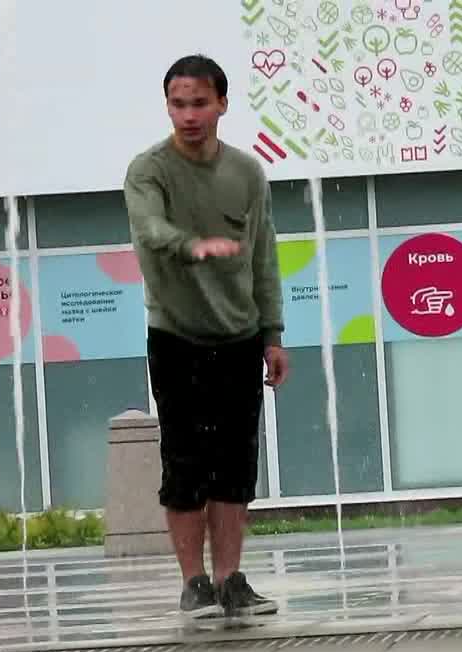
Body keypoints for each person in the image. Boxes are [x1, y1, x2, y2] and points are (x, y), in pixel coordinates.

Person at [123, 54, 288, 619]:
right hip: (176, 337)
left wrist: (272, 334)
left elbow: (264, 258)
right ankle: (193, 583)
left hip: (240, 338)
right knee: (186, 462)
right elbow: (149, 227)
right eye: (178, 104)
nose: (188, 115)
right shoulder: (149, 170)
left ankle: (231, 580)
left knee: (235, 466)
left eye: (199, 103)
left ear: (222, 104)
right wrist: (191, 245)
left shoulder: (247, 173)